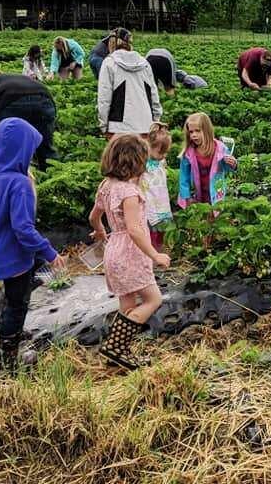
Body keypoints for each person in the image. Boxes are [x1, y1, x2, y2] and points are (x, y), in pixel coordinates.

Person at [0, 118, 66, 372]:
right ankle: (8, 358)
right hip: (14, 252)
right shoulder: (19, 183)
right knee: (18, 303)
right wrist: (50, 252)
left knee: (31, 274)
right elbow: (23, 229)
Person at [89, 134, 170, 370]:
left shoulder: (106, 186)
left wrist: (101, 233)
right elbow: (135, 230)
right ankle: (116, 346)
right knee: (153, 299)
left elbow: (94, 217)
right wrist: (155, 255)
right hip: (131, 253)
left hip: (113, 249)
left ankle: (119, 355)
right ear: (137, 161)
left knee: (127, 303)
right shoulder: (129, 193)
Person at [0, 73, 57, 170]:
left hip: (10, 100)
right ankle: (52, 178)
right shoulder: (10, 78)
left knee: (3, 152)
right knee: (45, 149)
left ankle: (0, 180)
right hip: (45, 99)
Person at [97, 32, 162, 137]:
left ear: (112, 43)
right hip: (145, 125)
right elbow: (154, 95)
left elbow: (104, 99)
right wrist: (156, 120)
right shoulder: (145, 64)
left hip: (118, 128)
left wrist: (103, 126)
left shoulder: (109, 63)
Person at [177, 112, 237, 209]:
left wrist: (233, 164)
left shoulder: (220, 148)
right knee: (203, 215)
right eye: (191, 132)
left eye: (197, 131)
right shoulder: (189, 153)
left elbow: (226, 168)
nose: (193, 135)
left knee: (217, 215)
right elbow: (184, 177)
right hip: (199, 194)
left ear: (207, 130)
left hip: (217, 192)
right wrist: (186, 197)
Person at [141, 122, 173, 252]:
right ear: (149, 146)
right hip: (148, 201)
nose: (163, 155)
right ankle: (150, 254)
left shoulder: (161, 162)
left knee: (162, 228)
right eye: (160, 151)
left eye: (165, 152)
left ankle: (159, 252)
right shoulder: (143, 163)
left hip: (161, 201)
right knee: (149, 229)